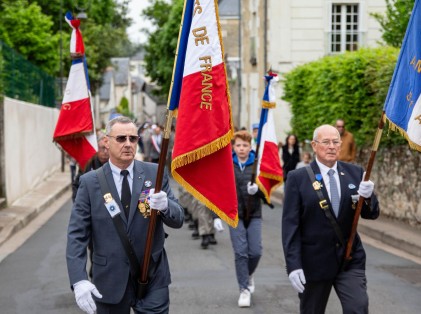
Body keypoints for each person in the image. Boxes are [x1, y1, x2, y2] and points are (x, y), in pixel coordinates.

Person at [66, 116, 184, 314]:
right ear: (107, 141)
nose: (128, 144)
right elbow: (77, 235)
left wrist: (166, 206)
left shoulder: (154, 173)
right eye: (121, 139)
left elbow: (178, 219)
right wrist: (78, 280)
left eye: (133, 138)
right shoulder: (90, 182)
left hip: (152, 276)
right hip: (109, 279)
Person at [282, 124, 379, 314]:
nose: (331, 146)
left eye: (336, 142)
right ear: (314, 145)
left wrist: (368, 197)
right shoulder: (297, 178)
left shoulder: (355, 173)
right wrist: (293, 265)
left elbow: (371, 213)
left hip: (349, 259)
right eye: (326, 142)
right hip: (314, 262)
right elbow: (290, 226)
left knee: (358, 308)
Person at [226, 130, 269, 308]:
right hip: (234, 214)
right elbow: (220, 190)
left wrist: (257, 191)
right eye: (238, 145)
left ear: (250, 147)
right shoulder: (228, 164)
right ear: (233, 147)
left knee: (256, 252)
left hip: (254, 213)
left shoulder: (257, 165)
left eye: (245, 145)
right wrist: (216, 216)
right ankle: (244, 289)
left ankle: (248, 274)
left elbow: (266, 193)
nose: (242, 149)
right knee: (241, 252)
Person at [72, 131, 109, 202]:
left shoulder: (114, 165)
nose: (105, 152)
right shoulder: (88, 163)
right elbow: (77, 186)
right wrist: (78, 204)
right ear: (96, 148)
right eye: (102, 148)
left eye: (107, 149)